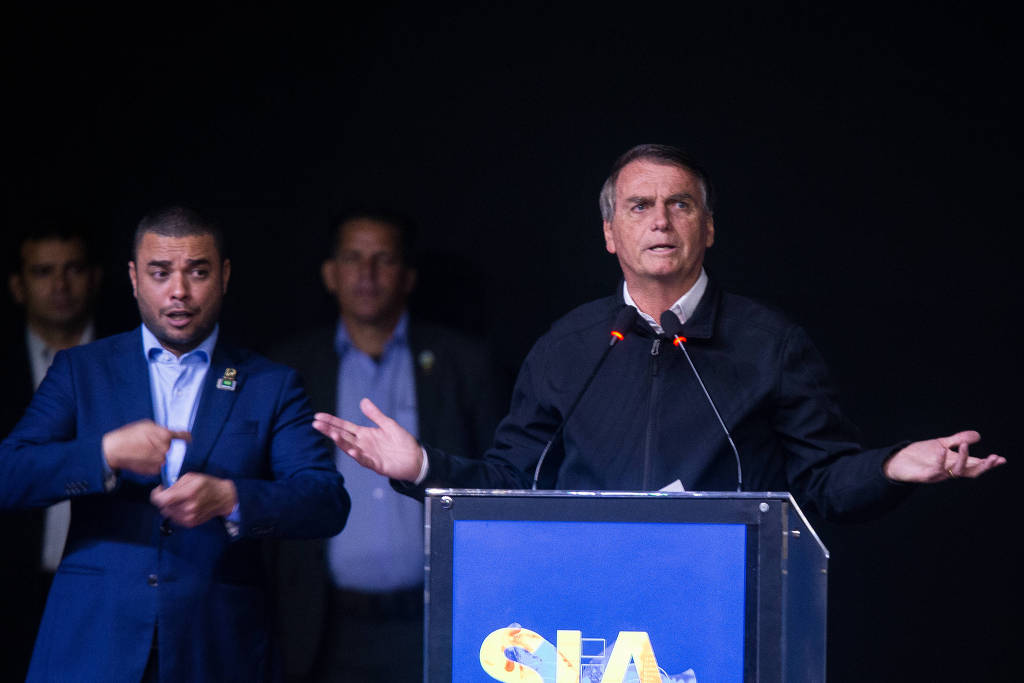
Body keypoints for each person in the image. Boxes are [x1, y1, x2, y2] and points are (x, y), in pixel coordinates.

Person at [311, 144, 1004, 520]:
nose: (662, 222)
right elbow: (510, 481)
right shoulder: (569, 346)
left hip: (727, 602)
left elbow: (819, 481)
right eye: (640, 206)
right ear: (610, 233)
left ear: (709, 227)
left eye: (681, 205)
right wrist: (421, 468)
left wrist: (892, 465)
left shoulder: (770, 343)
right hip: (591, 612)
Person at [0, 206, 350, 682]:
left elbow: (326, 502)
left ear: (224, 276)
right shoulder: (82, 369)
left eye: (198, 272)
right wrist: (105, 453)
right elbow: (10, 474)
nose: (179, 291)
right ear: (134, 278)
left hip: (217, 645)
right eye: (160, 273)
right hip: (95, 640)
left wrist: (231, 498)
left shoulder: (271, 383)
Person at [271, 209, 508, 682]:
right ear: (329, 273)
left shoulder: (463, 363)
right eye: (353, 258)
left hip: (436, 619)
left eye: (384, 259)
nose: (368, 273)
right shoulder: (290, 369)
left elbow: (498, 483)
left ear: (408, 276)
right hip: (325, 629)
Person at [0, 221, 104, 681]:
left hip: (108, 589)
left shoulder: (136, 359)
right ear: (17, 286)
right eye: (43, 272)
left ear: (95, 277)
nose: (60, 285)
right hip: (11, 592)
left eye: (73, 269)